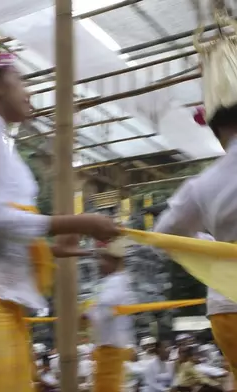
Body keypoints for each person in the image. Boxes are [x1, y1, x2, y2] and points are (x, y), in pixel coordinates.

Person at [0, 11, 119, 392]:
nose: (29, 89)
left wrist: (68, 249)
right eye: (20, 78)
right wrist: (77, 224)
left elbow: (6, 237)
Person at [154, 22, 237, 378]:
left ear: (217, 131)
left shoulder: (203, 186)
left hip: (228, 307)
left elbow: (164, 235)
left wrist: (214, 246)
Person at [82, 238, 136, 392]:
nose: (99, 263)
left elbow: (104, 307)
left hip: (111, 348)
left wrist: (84, 315)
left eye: (103, 258)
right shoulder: (112, 281)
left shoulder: (117, 281)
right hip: (107, 348)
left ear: (114, 260)